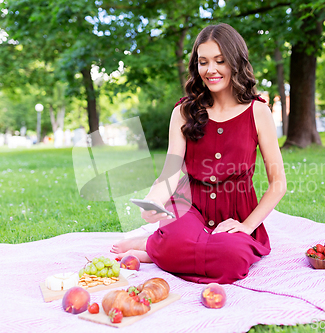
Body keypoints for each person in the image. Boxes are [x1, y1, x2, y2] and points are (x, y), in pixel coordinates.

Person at [112, 23, 287, 284]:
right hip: (190, 208)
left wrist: (247, 226)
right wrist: (154, 201)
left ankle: (156, 249)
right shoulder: (183, 112)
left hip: (236, 215)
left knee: (233, 259)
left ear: (236, 62)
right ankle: (162, 244)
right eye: (203, 62)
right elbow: (170, 174)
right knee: (175, 233)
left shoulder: (258, 112)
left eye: (220, 61)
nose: (210, 70)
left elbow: (278, 184)